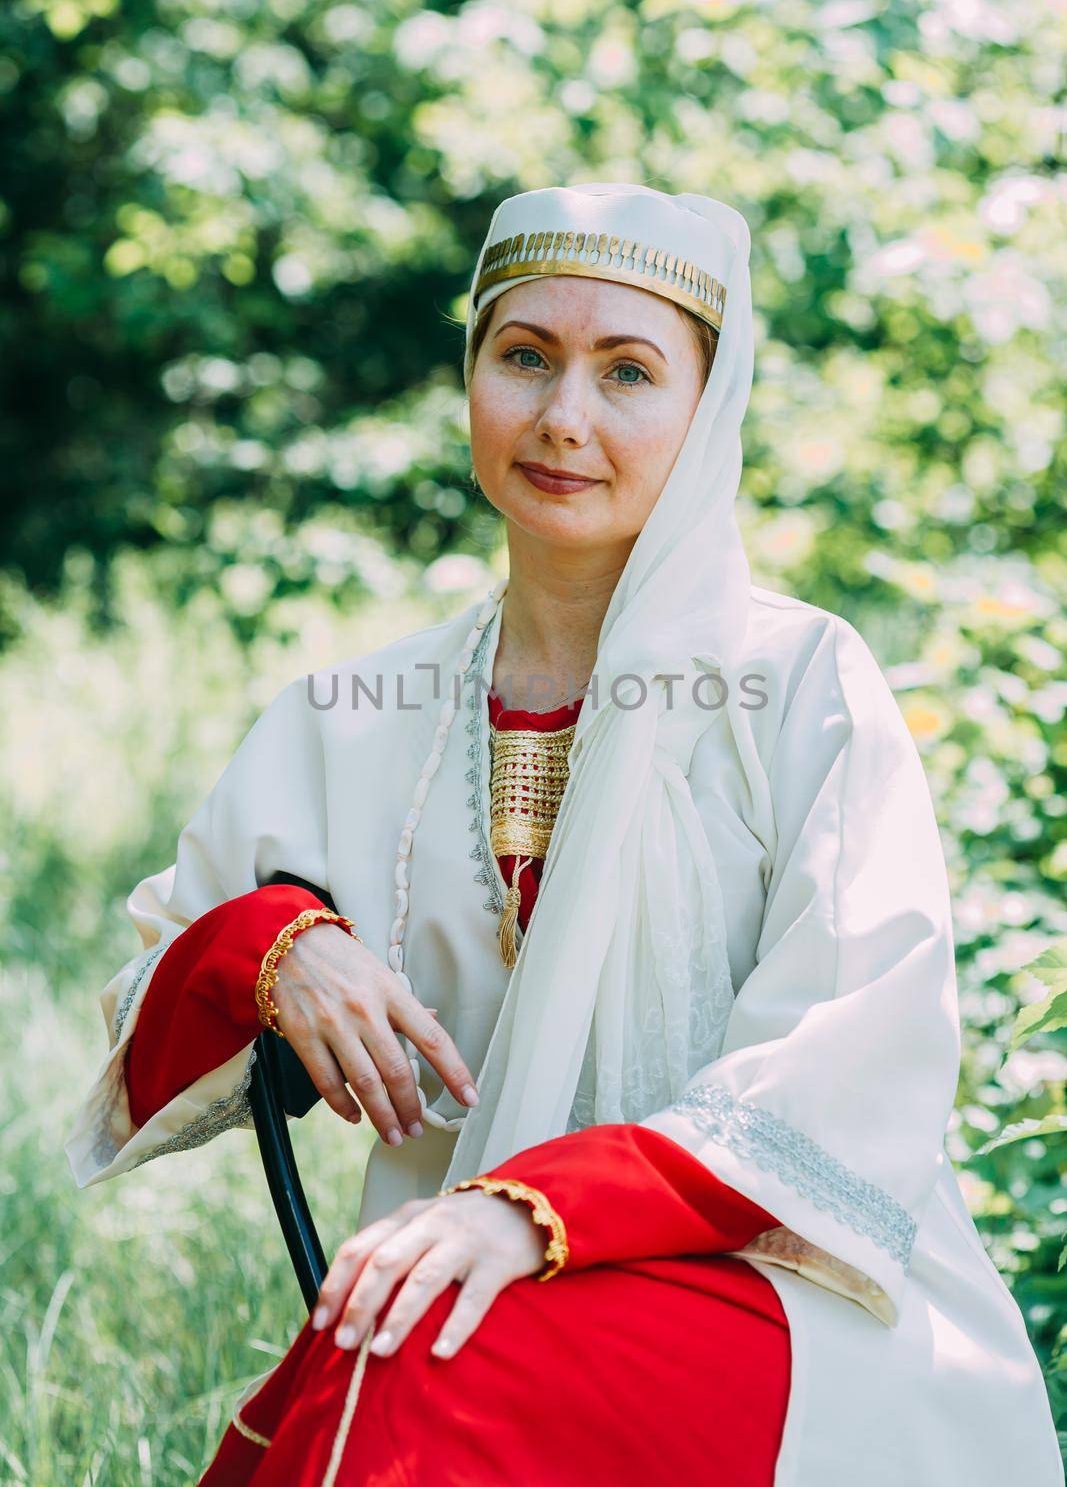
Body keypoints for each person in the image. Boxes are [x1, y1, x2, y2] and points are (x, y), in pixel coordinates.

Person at [66, 184, 1063, 1487]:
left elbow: (843, 1069)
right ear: (470, 373)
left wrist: (530, 1215)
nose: (562, 419)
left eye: (628, 372)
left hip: (793, 1301)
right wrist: (273, 946)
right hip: (454, 1296)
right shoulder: (349, 719)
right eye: (523, 356)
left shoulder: (804, 681)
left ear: (711, 409)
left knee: (410, 1386)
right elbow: (152, 991)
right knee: (399, 1373)